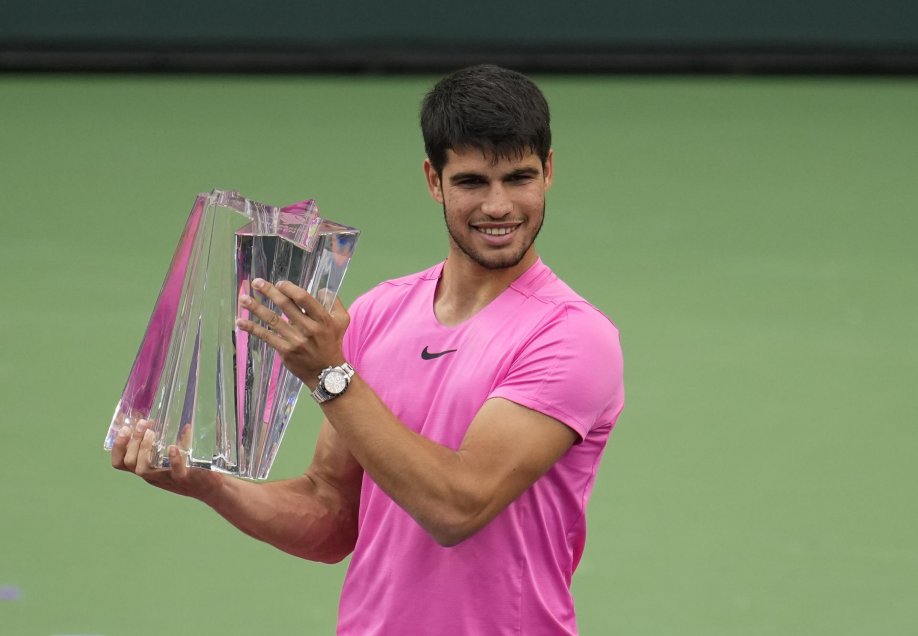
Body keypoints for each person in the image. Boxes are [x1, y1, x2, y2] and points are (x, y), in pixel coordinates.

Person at [111, 64, 624, 635]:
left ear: (548, 171)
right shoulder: (378, 313)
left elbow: (459, 507)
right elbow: (331, 514)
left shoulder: (572, 337)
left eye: (519, 178)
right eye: (473, 182)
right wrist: (207, 484)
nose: (499, 206)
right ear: (434, 180)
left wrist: (331, 375)